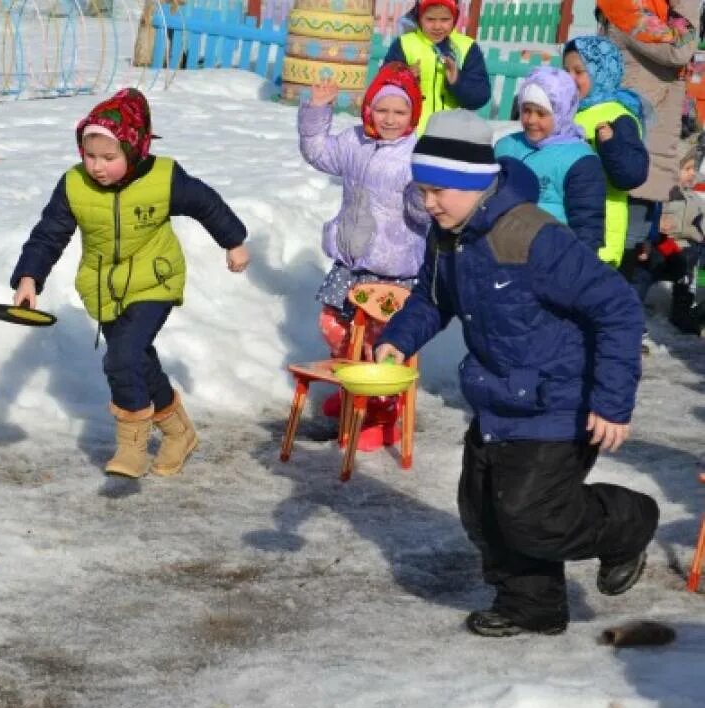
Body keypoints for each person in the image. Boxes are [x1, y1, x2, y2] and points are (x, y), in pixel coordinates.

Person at [375, 110, 660, 638]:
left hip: (560, 398)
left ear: (476, 184)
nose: (430, 202)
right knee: (484, 512)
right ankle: (533, 605)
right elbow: (433, 299)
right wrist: (396, 339)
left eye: (440, 191)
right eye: (423, 190)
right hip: (496, 394)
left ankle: (627, 521)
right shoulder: (450, 237)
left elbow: (617, 307)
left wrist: (612, 402)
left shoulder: (534, 238)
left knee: (533, 515)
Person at [10, 88, 249, 478]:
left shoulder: (163, 178)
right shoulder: (74, 186)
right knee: (137, 357)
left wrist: (234, 242)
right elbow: (49, 234)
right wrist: (29, 276)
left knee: (121, 358)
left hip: (155, 281)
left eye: (109, 157)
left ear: (134, 149)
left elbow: (206, 203)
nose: (97, 167)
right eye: (90, 156)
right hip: (103, 289)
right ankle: (178, 433)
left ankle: (132, 444)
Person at [298, 62, 429, 450]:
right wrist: (317, 112)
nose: (389, 119)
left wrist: (425, 193)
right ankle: (355, 384)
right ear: (368, 108)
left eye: (399, 112)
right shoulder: (354, 142)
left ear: (413, 114)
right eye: (382, 109)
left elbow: (423, 214)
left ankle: (383, 408)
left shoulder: (414, 154)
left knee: (381, 341)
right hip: (351, 261)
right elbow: (318, 153)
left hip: (393, 269)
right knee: (332, 325)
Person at [596, 0, 699, 281]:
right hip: (637, 143)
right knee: (622, 243)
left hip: (645, 143)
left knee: (636, 239)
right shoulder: (627, 7)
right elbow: (678, 47)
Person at [494, 67, 607, 251]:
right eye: (526, 110)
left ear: (561, 113)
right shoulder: (506, 146)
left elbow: (587, 225)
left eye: (541, 113)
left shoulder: (579, 160)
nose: (531, 120)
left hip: (551, 256)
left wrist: (578, 268)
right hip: (502, 251)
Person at [562, 35, 650, 267]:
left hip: (601, 229)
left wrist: (609, 146)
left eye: (579, 71)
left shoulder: (618, 115)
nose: (570, 78)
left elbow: (632, 174)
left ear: (601, 72)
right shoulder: (565, 110)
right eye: (566, 70)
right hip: (563, 219)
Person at [383, 0, 491, 133]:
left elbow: (480, 97)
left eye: (445, 19)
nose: (437, 26)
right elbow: (383, 88)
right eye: (430, 19)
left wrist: (457, 80)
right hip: (409, 133)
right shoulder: (404, 44)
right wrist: (405, 77)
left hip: (451, 134)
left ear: (455, 18)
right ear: (419, 17)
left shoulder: (466, 48)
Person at [634, 147, 705, 334]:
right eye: (687, 169)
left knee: (689, 276)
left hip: (689, 250)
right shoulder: (662, 194)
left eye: (694, 169)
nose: (692, 173)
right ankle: (633, 313)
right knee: (644, 273)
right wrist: (656, 224)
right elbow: (649, 217)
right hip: (662, 246)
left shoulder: (696, 199)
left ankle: (684, 315)